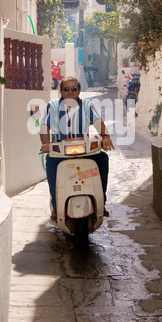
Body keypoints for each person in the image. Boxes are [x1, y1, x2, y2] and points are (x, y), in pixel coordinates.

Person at [40, 76, 114, 221]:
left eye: (74, 89)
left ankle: (101, 202)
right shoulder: (53, 105)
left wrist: (105, 136)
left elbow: (98, 121)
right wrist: (46, 144)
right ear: (61, 91)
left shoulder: (86, 105)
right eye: (66, 89)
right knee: (51, 164)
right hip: (59, 151)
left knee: (102, 158)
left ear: (79, 91)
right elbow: (45, 126)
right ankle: (56, 207)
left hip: (84, 150)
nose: (70, 92)